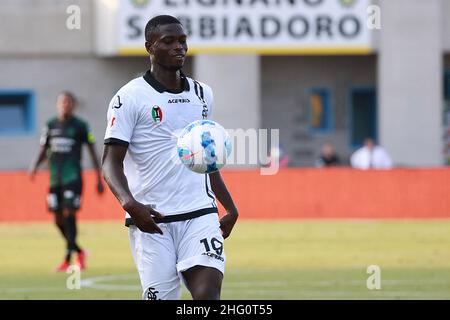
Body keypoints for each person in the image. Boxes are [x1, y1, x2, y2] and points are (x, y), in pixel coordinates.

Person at [101, 15, 239, 300]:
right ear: (150, 47)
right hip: (152, 219)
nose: (179, 47)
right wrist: (130, 204)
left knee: (207, 295)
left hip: (200, 214)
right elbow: (110, 163)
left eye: (183, 41)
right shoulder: (129, 98)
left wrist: (230, 207)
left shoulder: (202, 94)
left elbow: (205, 159)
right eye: (169, 41)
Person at [29, 91, 104, 272]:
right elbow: (43, 148)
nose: (65, 105)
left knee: (70, 215)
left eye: (69, 102)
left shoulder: (81, 126)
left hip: (73, 178)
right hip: (55, 179)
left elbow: (93, 151)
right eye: (62, 102)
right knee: (57, 218)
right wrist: (34, 166)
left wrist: (98, 177)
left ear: (73, 105)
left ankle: (67, 258)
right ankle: (79, 251)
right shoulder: (50, 125)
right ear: (58, 104)